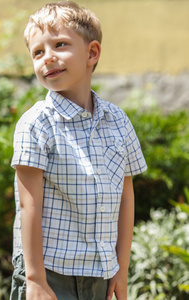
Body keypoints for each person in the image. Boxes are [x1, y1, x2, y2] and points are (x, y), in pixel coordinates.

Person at [9, 2, 147, 300]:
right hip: (49, 273)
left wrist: (121, 271)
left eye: (59, 45)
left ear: (92, 53)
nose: (48, 58)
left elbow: (126, 196)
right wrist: (34, 280)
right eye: (38, 52)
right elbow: (28, 206)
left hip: (100, 275)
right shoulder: (36, 124)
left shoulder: (118, 121)